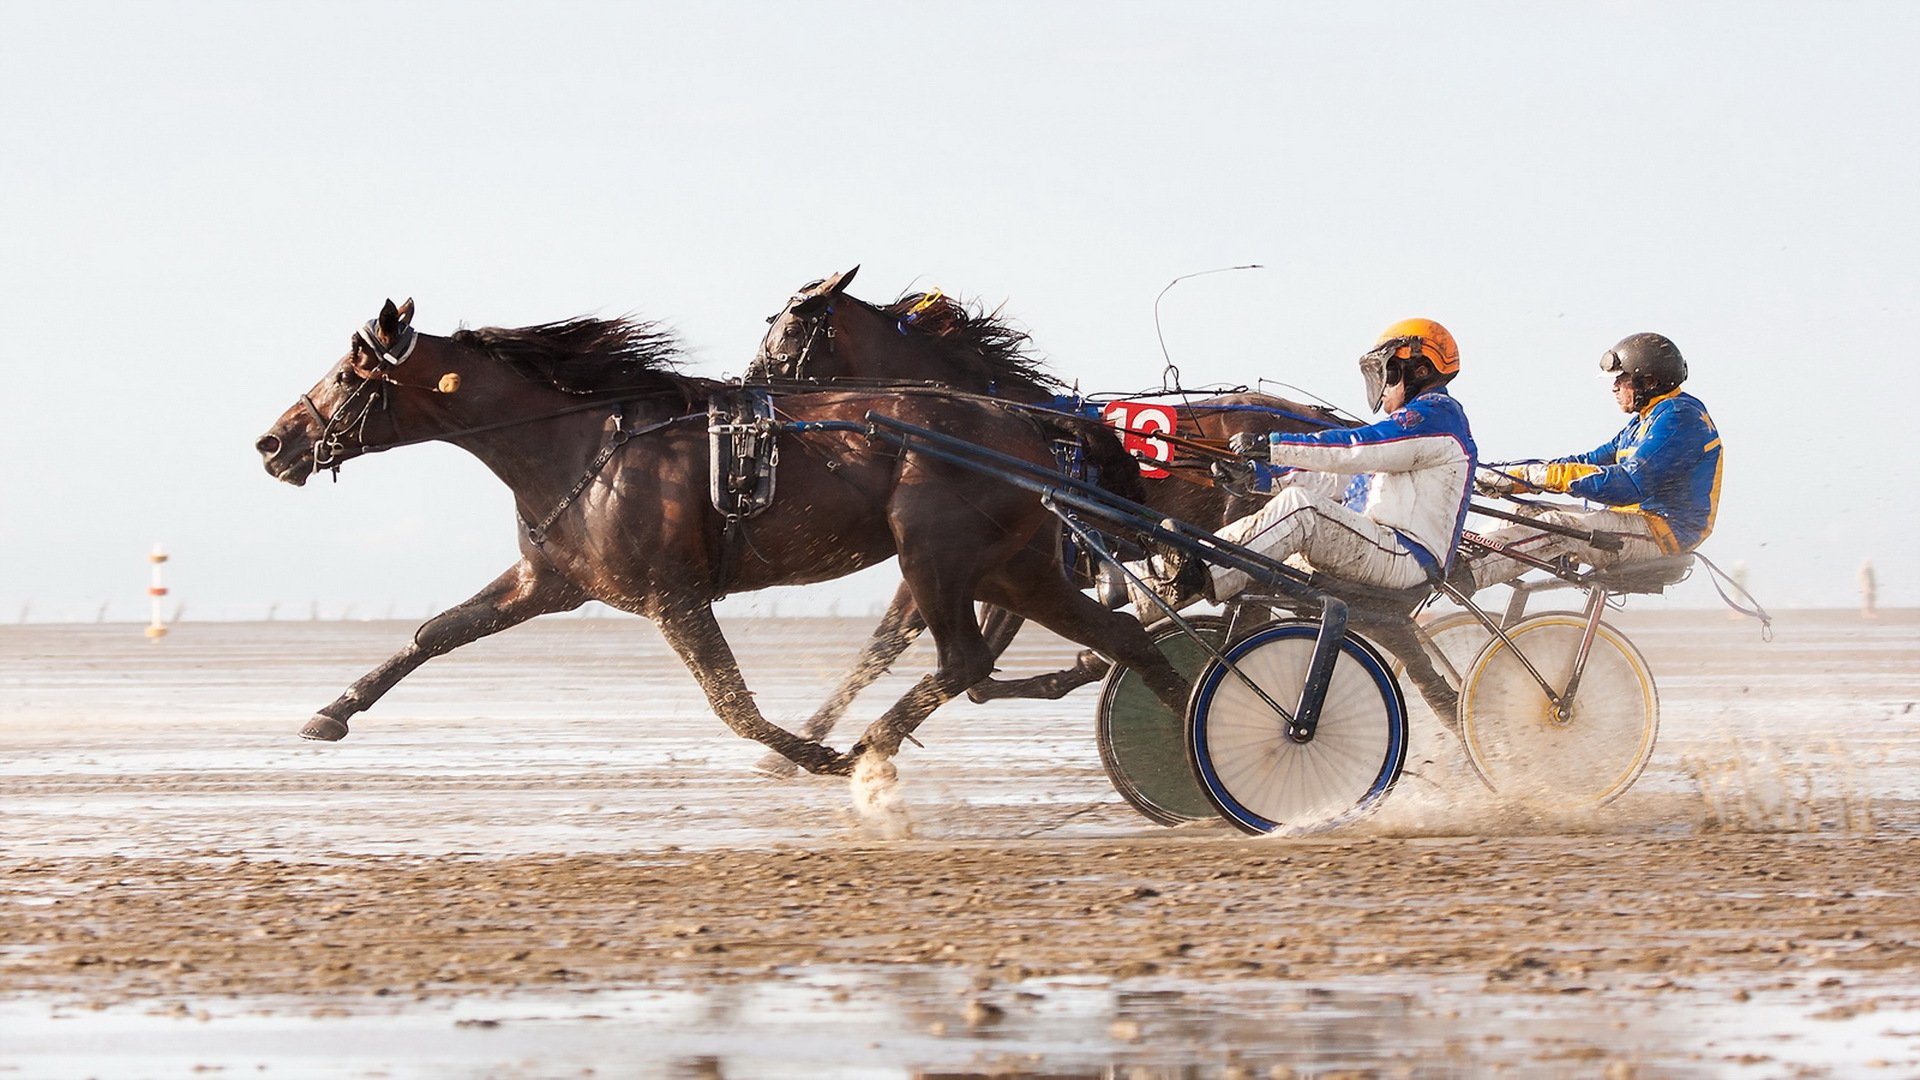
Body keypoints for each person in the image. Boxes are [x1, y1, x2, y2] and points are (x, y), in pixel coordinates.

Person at [1131, 318, 1477, 609]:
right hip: (1383, 548)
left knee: (1302, 511)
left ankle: (1199, 570)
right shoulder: (1410, 436)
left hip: (1406, 557)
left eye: (1387, 373)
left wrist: (1272, 447)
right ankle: (1139, 588)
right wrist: (1258, 478)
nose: (1382, 387)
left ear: (1419, 369)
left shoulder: (1435, 417)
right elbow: (1336, 480)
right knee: (1263, 551)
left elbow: (1354, 448)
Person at [1471, 332, 1721, 588]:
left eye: (1622, 379)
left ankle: (1466, 575)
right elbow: (1589, 461)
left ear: (1649, 382)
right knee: (1524, 512)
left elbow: (1628, 485)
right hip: (1634, 523)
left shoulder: (1679, 418)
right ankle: (1462, 559)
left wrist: (1542, 477)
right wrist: (1509, 476)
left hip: (1661, 533)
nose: (1614, 387)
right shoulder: (1646, 420)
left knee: (1557, 527)